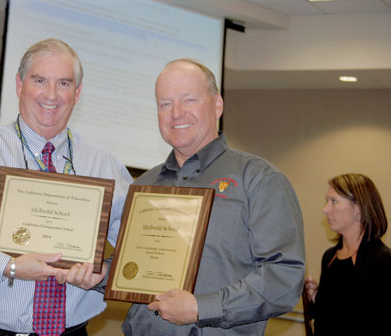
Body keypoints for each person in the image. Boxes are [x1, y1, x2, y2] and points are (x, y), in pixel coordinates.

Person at [0, 38, 132, 336]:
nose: (51, 95)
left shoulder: (103, 163)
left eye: (64, 83)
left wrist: (104, 271)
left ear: (77, 92)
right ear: (19, 84)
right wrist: (7, 266)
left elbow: (133, 242)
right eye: (40, 80)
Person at [121, 59, 305, 335]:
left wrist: (201, 308)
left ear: (217, 104)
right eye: (165, 104)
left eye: (189, 100)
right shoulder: (145, 185)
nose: (176, 113)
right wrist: (98, 275)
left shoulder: (259, 180)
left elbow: (284, 277)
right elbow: (131, 270)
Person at [304, 173, 391, 335]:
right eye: (326, 201)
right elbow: (333, 316)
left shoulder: (382, 261)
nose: (325, 210)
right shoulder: (329, 257)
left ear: (358, 208)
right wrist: (316, 298)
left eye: (334, 202)